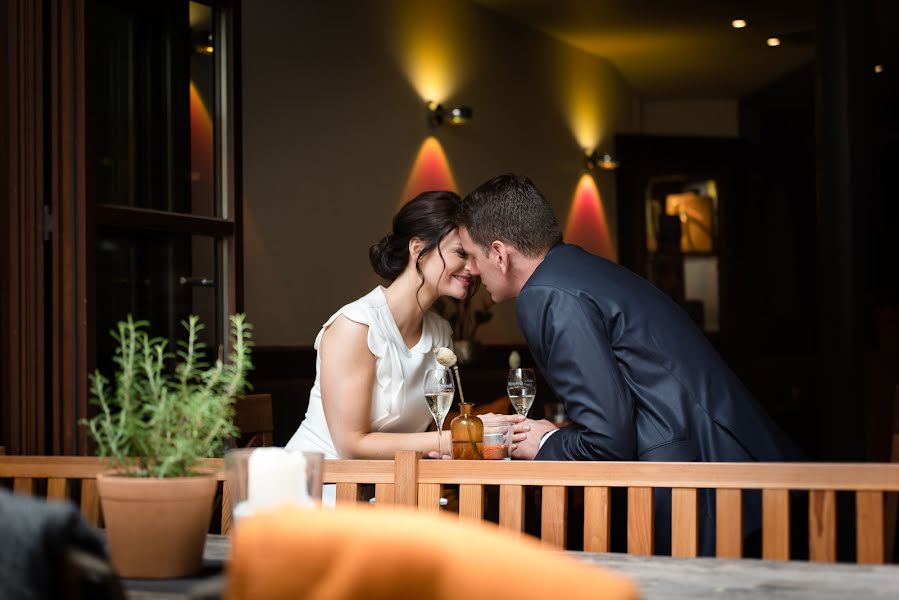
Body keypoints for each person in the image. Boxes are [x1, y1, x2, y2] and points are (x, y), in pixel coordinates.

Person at [457, 174, 803, 555]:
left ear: (500, 254)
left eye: (472, 256)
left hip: (708, 488)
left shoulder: (547, 295)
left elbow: (606, 441)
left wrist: (546, 441)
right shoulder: (579, 269)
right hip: (743, 470)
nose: (470, 270)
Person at [286, 191, 525, 479]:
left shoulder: (440, 333)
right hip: (314, 485)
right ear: (417, 248)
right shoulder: (357, 326)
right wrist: (458, 437)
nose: (473, 268)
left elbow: (420, 434)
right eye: (461, 253)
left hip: (384, 489)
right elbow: (350, 445)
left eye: (473, 256)